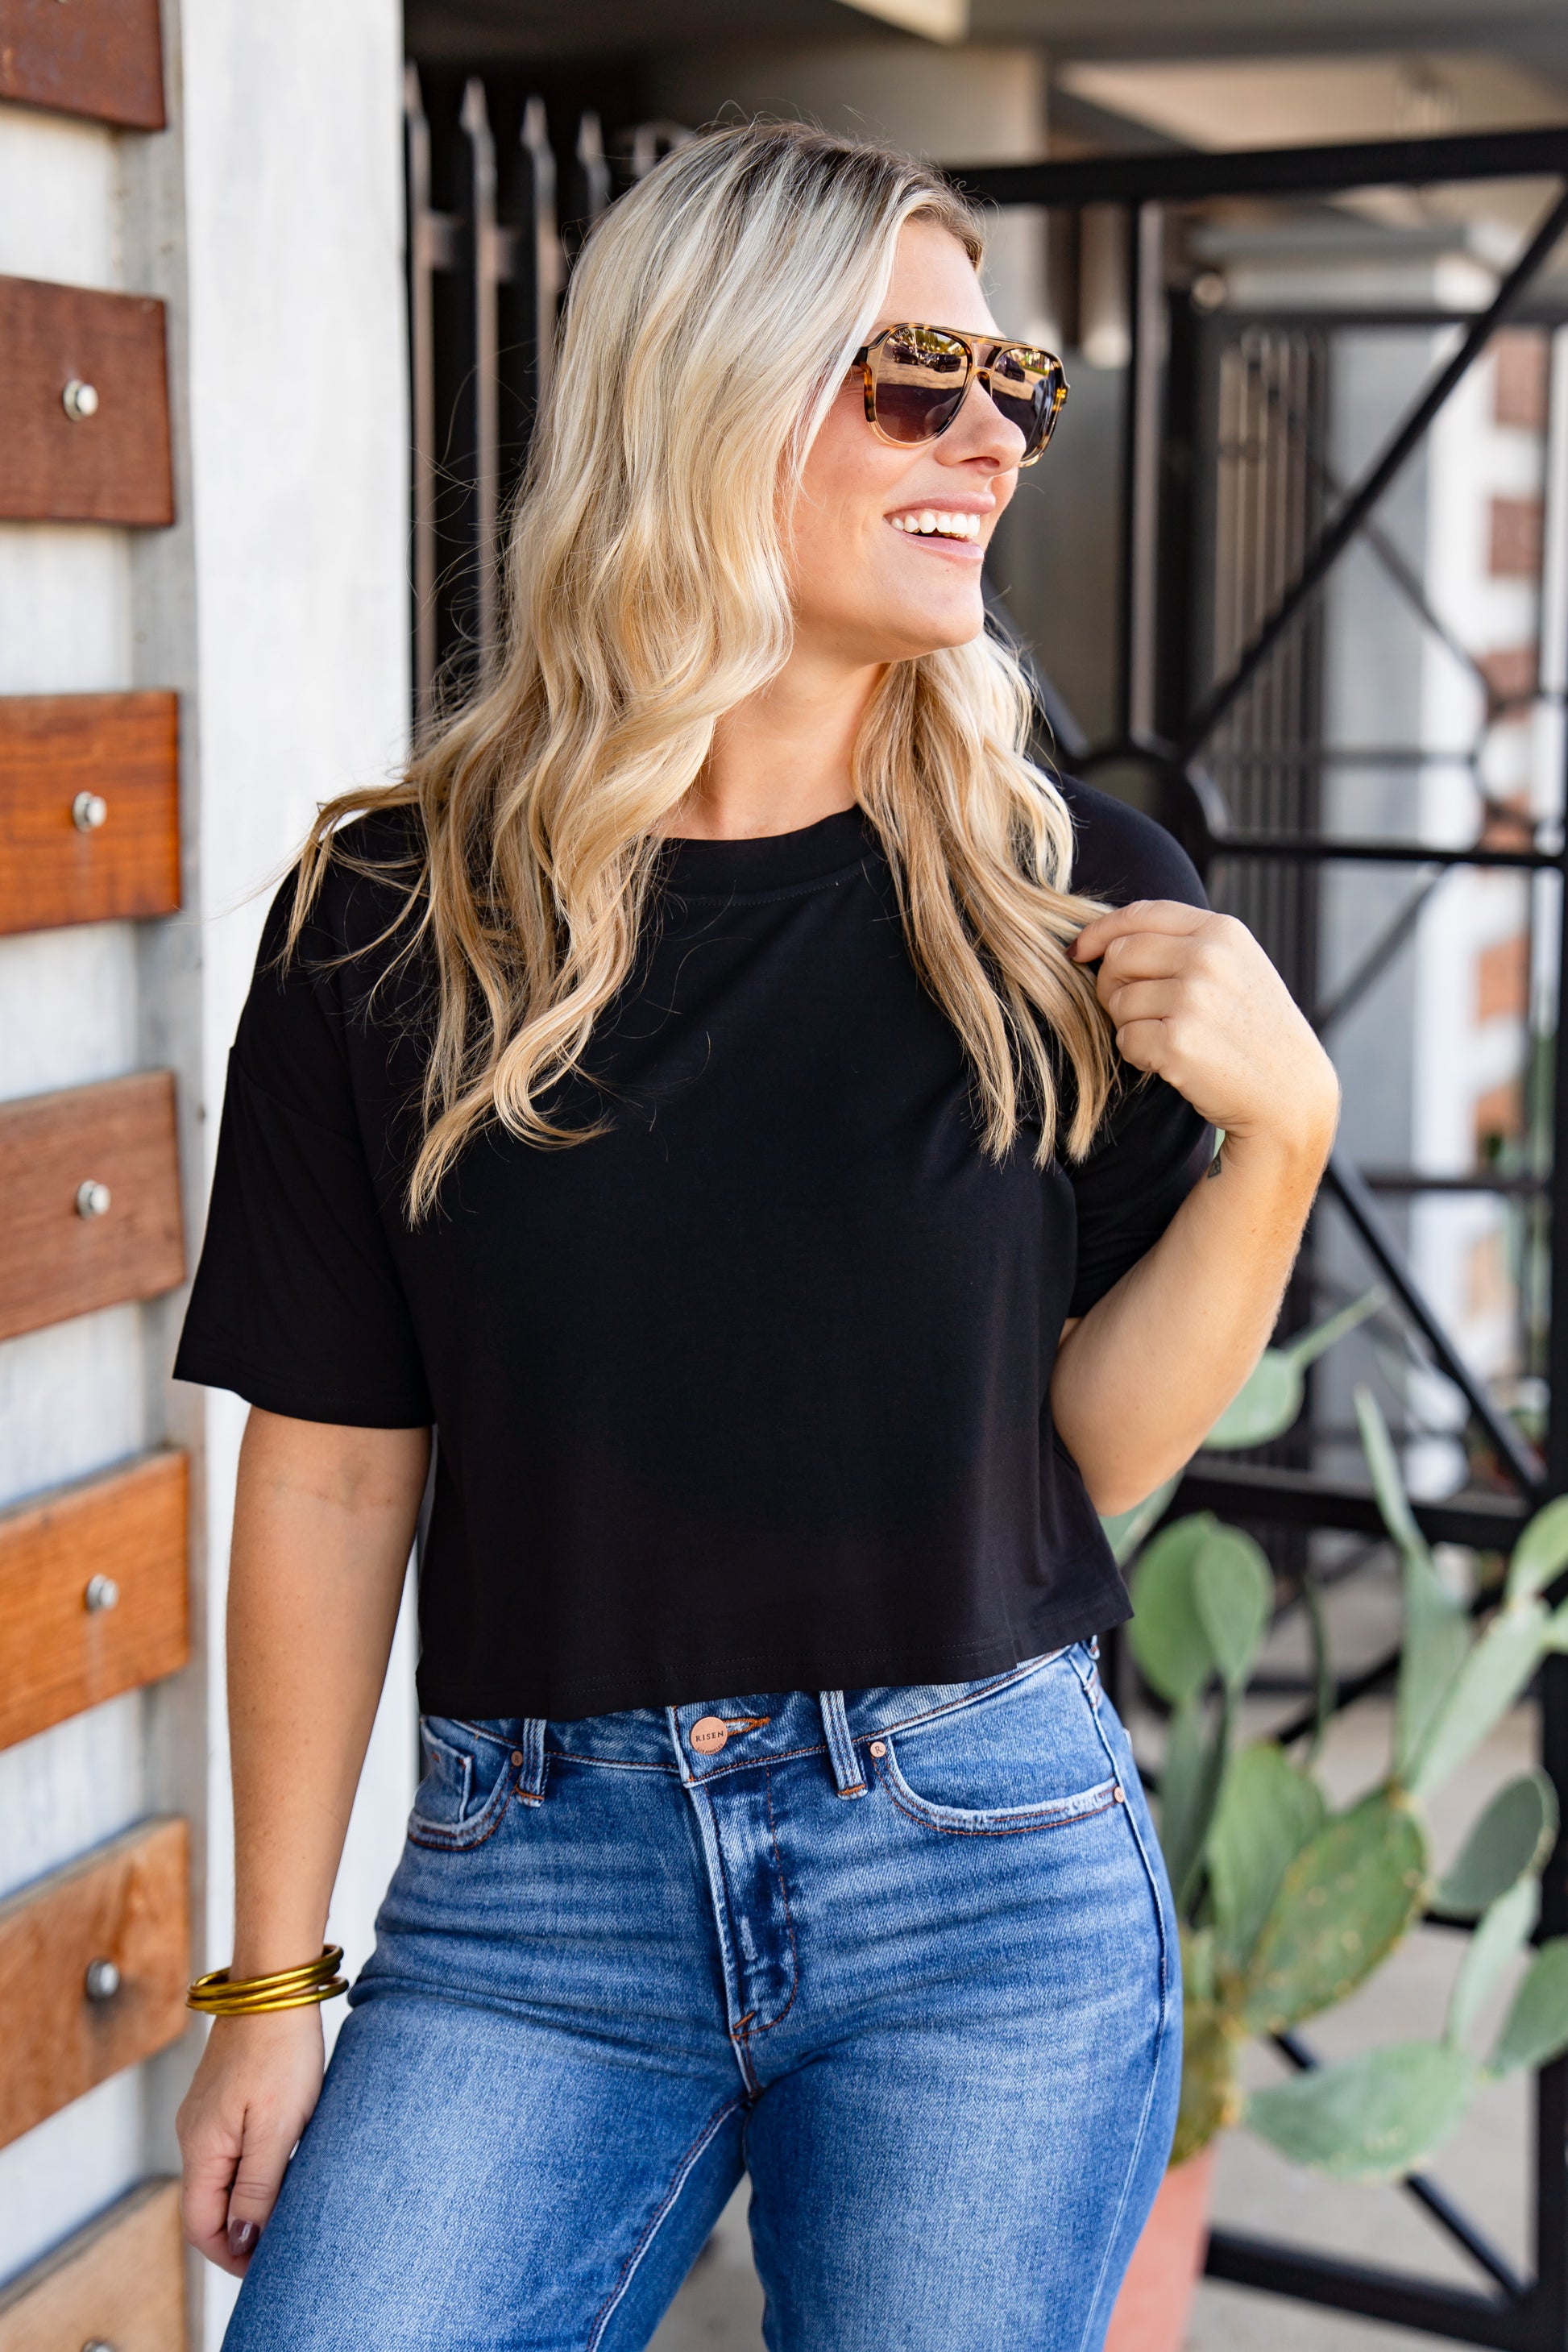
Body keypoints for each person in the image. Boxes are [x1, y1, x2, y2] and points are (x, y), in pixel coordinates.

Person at [172, 121, 1338, 2351]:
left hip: (977, 1874)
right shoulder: (394, 918)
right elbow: (324, 1472)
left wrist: (1280, 1144)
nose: (988, 435)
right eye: (918, 378)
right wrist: (265, 1983)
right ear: (709, 390)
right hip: (532, 1901)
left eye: (1015, 389)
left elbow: (1073, 1459)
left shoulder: (1061, 893)